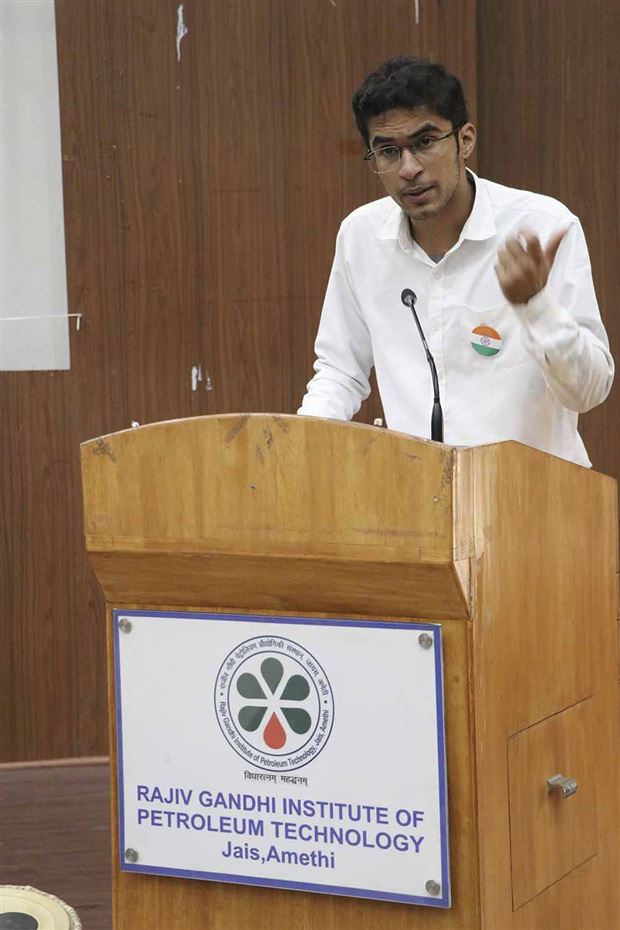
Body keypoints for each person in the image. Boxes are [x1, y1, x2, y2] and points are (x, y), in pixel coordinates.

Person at [297, 56, 614, 467]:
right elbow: (340, 372)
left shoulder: (541, 227)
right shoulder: (360, 236)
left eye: (425, 142)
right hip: (418, 495)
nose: (409, 168)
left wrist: (537, 308)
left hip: (534, 492)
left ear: (465, 140)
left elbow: (588, 392)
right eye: (388, 151)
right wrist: (297, 447)